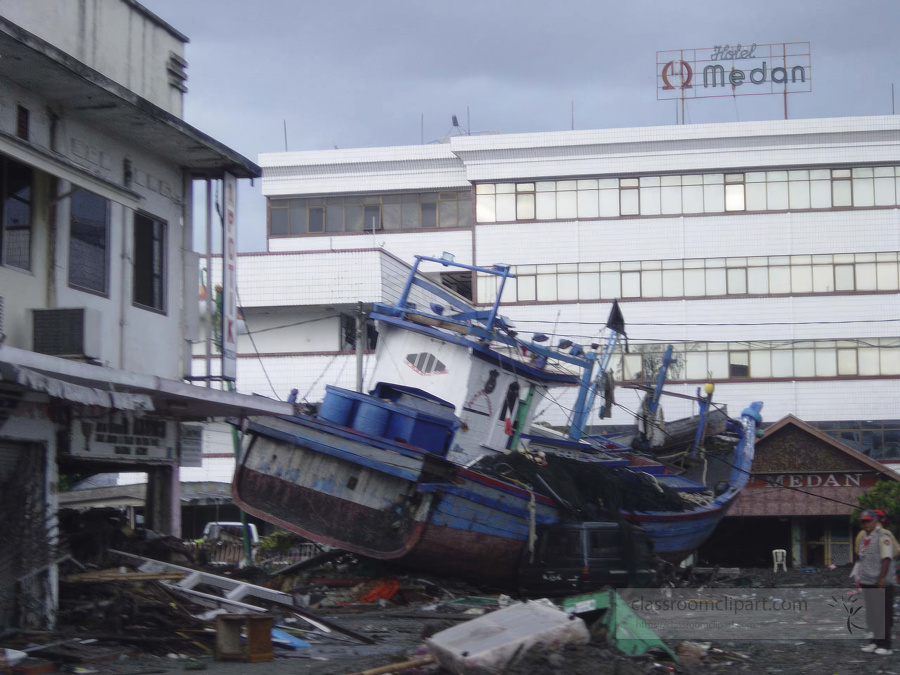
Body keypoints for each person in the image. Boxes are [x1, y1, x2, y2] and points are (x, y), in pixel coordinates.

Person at [856, 510, 896, 655]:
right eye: (864, 521)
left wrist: (882, 578)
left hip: (880, 582)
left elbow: (886, 558)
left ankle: (885, 645)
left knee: (883, 614)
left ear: (875, 521)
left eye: (868, 521)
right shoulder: (863, 538)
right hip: (867, 580)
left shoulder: (883, 536)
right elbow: (861, 558)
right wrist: (859, 578)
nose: (866, 524)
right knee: (872, 614)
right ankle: (874, 641)